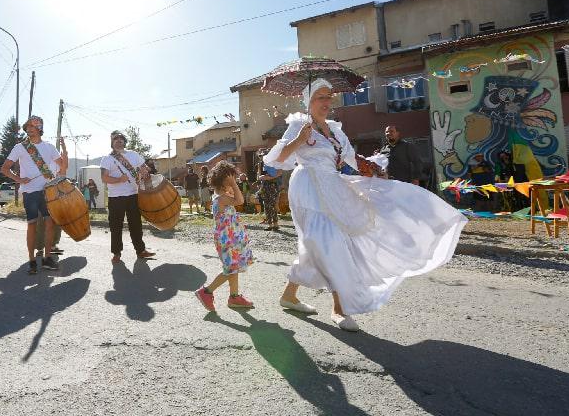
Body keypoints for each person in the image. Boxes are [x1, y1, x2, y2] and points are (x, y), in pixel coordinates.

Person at [264, 78, 467, 331]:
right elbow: (277, 159)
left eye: (329, 97)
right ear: (309, 101)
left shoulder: (335, 130)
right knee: (325, 239)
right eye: (320, 97)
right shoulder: (298, 125)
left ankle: (289, 294)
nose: (326, 102)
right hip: (307, 186)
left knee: (319, 241)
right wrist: (298, 140)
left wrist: (372, 169)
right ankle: (340, 307)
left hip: (333, 185)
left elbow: (351, 157)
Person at [0, 115, 67, 275]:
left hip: (47, 190)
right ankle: (31, 260)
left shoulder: (50, 147)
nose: (29, 129)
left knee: (50, 223)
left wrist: (65, 149)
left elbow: (63, 167)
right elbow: (5, 168)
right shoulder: (20, 147)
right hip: (30, 191)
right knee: (32, 224)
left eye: (32, 126)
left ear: (40, 128)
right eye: (27, 127)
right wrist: (19, 179)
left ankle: (47, 258)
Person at [194, 161, 254, 311]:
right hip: (227, 239)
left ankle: (234, 297)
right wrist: (234, 184)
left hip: (230, 237)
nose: (234, 183)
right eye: (231, 180)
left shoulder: (222, 196)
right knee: (230, 268)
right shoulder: (221, 198)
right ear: (224, 182)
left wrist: (232, 185)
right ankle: (206, 291)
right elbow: (240, 200)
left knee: (233, 267)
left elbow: (236, 198)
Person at [100, 130, 156, 264]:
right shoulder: (107, 159)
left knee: (136, 225)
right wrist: (120, 179)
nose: (118, 141)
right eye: (115, 139)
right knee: (116, 227)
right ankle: (116, 253)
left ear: (125, 141)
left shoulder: (134, 154)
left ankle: (141, 250)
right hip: (115, 198)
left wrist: (144, 171)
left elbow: (144, 168)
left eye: (121, 139)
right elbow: (104, 178)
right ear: (112, 143)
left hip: (133, 195)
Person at [257, 148, 282, 230]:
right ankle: (270, 224)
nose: (262, 157)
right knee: (266, 205)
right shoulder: (260, 164)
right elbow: (259, 176)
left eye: (264, 155)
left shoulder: (275, 162)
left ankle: (276, 224)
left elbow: (280, 172)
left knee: (273, 204)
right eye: (261, 156)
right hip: (264, 186)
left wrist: (269, 177)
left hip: (274, 185)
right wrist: (262, 178)